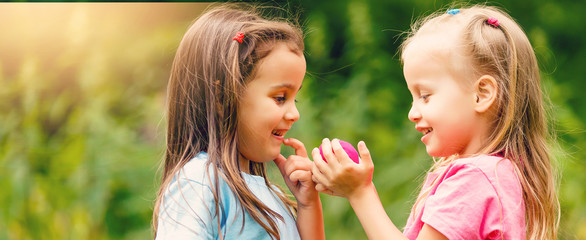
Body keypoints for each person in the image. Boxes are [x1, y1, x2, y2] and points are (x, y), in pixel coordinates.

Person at [311, 5, 559, 240]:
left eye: (425, 96)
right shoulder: (504, 174)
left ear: (482, 94)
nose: (412, 113)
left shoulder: (473, 180)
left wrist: (360, 192)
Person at [153, 4, 324, 240]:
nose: (294, 113)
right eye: (280, 98)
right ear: (224, 97)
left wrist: (307, 205)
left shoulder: (271, 196)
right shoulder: (201, 182)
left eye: (295, 98)